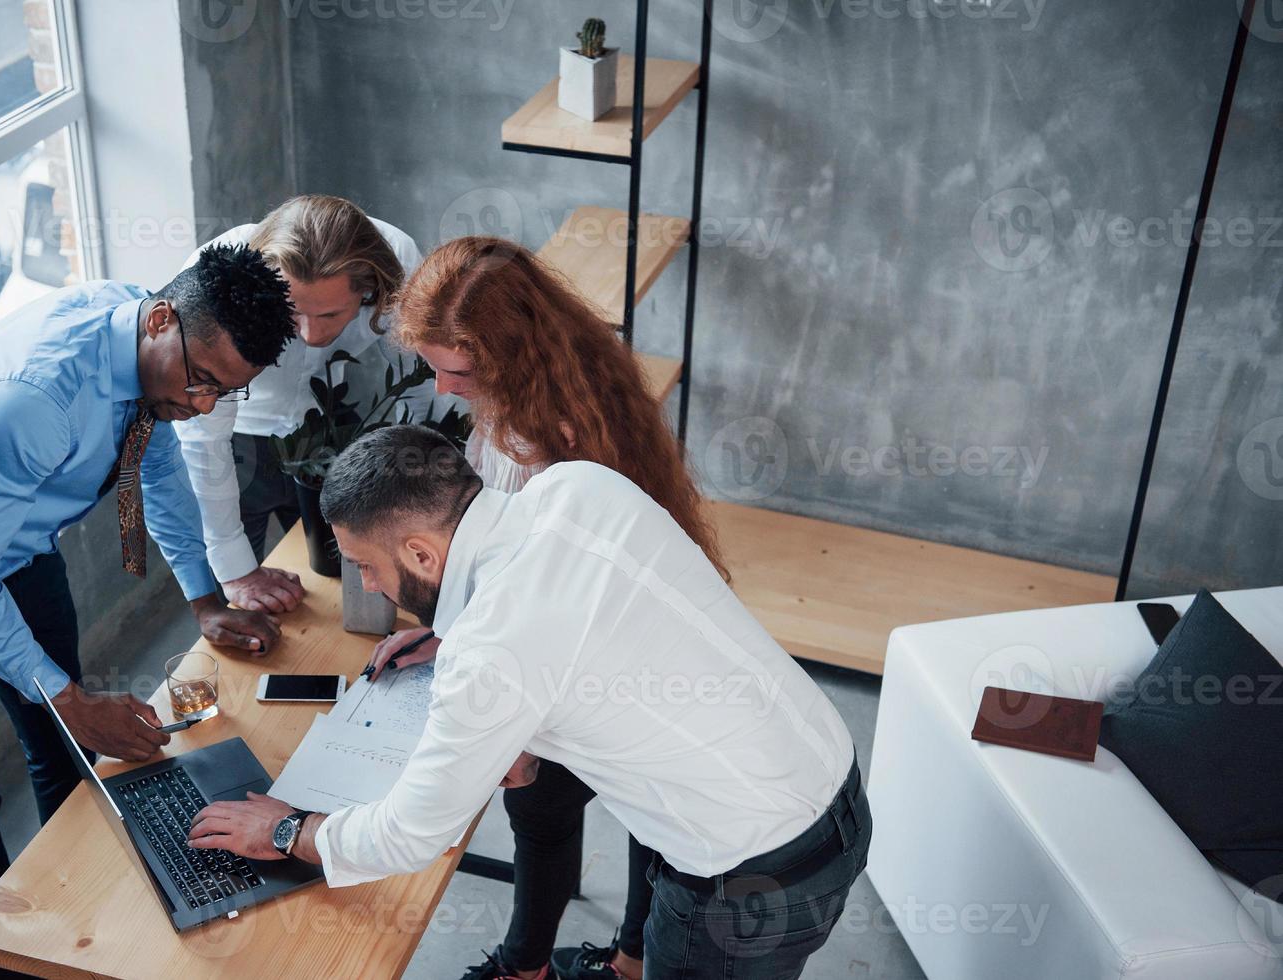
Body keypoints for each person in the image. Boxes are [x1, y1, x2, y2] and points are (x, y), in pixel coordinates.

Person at [186, 425, 871, 980]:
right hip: (829, 777)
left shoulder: (489, 651)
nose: (367, 582)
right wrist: (461, 640)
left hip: (746, 879)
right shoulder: (578, 485)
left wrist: (285, 832)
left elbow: (410, 833)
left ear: (422, 553)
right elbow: (595, 624)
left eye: (367, 564)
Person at [0, 243, 297, 911]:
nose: (204, 405)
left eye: (225, 391)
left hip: (19, 558)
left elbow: (158, 467)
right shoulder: (31, 400)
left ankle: (80, 918)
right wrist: (71, 701)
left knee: (64, 754)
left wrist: (205, 601)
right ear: (161, 320)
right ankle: (3, 952)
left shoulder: (140, 336)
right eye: (201, 380)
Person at [376, 235, 730, 980]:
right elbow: (501, 544)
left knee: (554, 807)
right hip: (577, 639)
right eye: (435, 367)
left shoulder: (564, 438)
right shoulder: (535, 387)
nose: (442, 389)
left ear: (506, 352)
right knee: (603, 811)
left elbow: (560, 594)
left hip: (602, 655)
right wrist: (451, 633)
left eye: (457, 371)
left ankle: (541, 968)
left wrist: (519, 728)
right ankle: (609, 960)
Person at [175, 195, 437, 613]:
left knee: (344, 584)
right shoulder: (216, 277)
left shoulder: (398, 261)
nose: (311, 335)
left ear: (371, 287)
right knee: (238, 603)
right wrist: (236, 569)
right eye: (292, 313)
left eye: (331, 315)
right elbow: (201, 439)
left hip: (334, 424)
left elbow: (418, 378)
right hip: (235, 440)